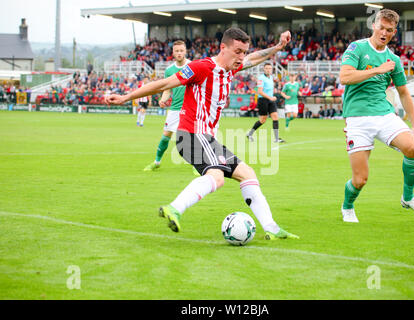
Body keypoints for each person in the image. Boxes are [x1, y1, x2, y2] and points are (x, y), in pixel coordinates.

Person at [106, 27, 298, 240]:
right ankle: (174, 208)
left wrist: (279, 47)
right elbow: (164, 83)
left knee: (247, 174)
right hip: (191, 135)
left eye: (244, 51)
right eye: (238, 51)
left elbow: (254, 58)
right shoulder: (201, 67)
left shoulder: (231, 68)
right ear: (223, 47)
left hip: (206, 138)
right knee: (216, 176)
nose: (241, 56)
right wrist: (126, 97)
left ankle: (272, 228)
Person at [339, 8, 414, 223]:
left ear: (394, 32)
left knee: (412, 147)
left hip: (384, 114)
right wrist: (378, 70)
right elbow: (345, 77)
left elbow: (404, 93)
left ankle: (408, 197)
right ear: (374, 25)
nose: (384, 32)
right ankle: (348, 206)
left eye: (389, 30)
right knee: (360, 179)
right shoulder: (357, 48)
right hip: (357, 118)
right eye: (381, 27)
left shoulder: (394, 59)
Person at [143, 40, 190, 171]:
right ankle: (157, 162)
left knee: (193, 137)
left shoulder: (193, 66)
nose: (179, 53)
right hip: (175, 108)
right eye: (177, 51)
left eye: (181, 50)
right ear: (173, 52)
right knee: (165, 137)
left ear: (185, 51)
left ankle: (198, 166)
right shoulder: (169, 70)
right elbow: (167, 89)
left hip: (190, 108)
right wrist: (163, 99)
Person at [246, 63, 285, 143]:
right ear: (264, 69)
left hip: (271, 100)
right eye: (266, 68)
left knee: (275, 117)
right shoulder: (261, 78)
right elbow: (260, 91)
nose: (268, 70)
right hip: (263, 100)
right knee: (263, 120)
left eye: (270, 68)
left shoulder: (271, 77)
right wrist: (270, 97)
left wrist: (274, 93)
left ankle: (276, 138)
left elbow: (269, 89)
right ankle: (250, 134)